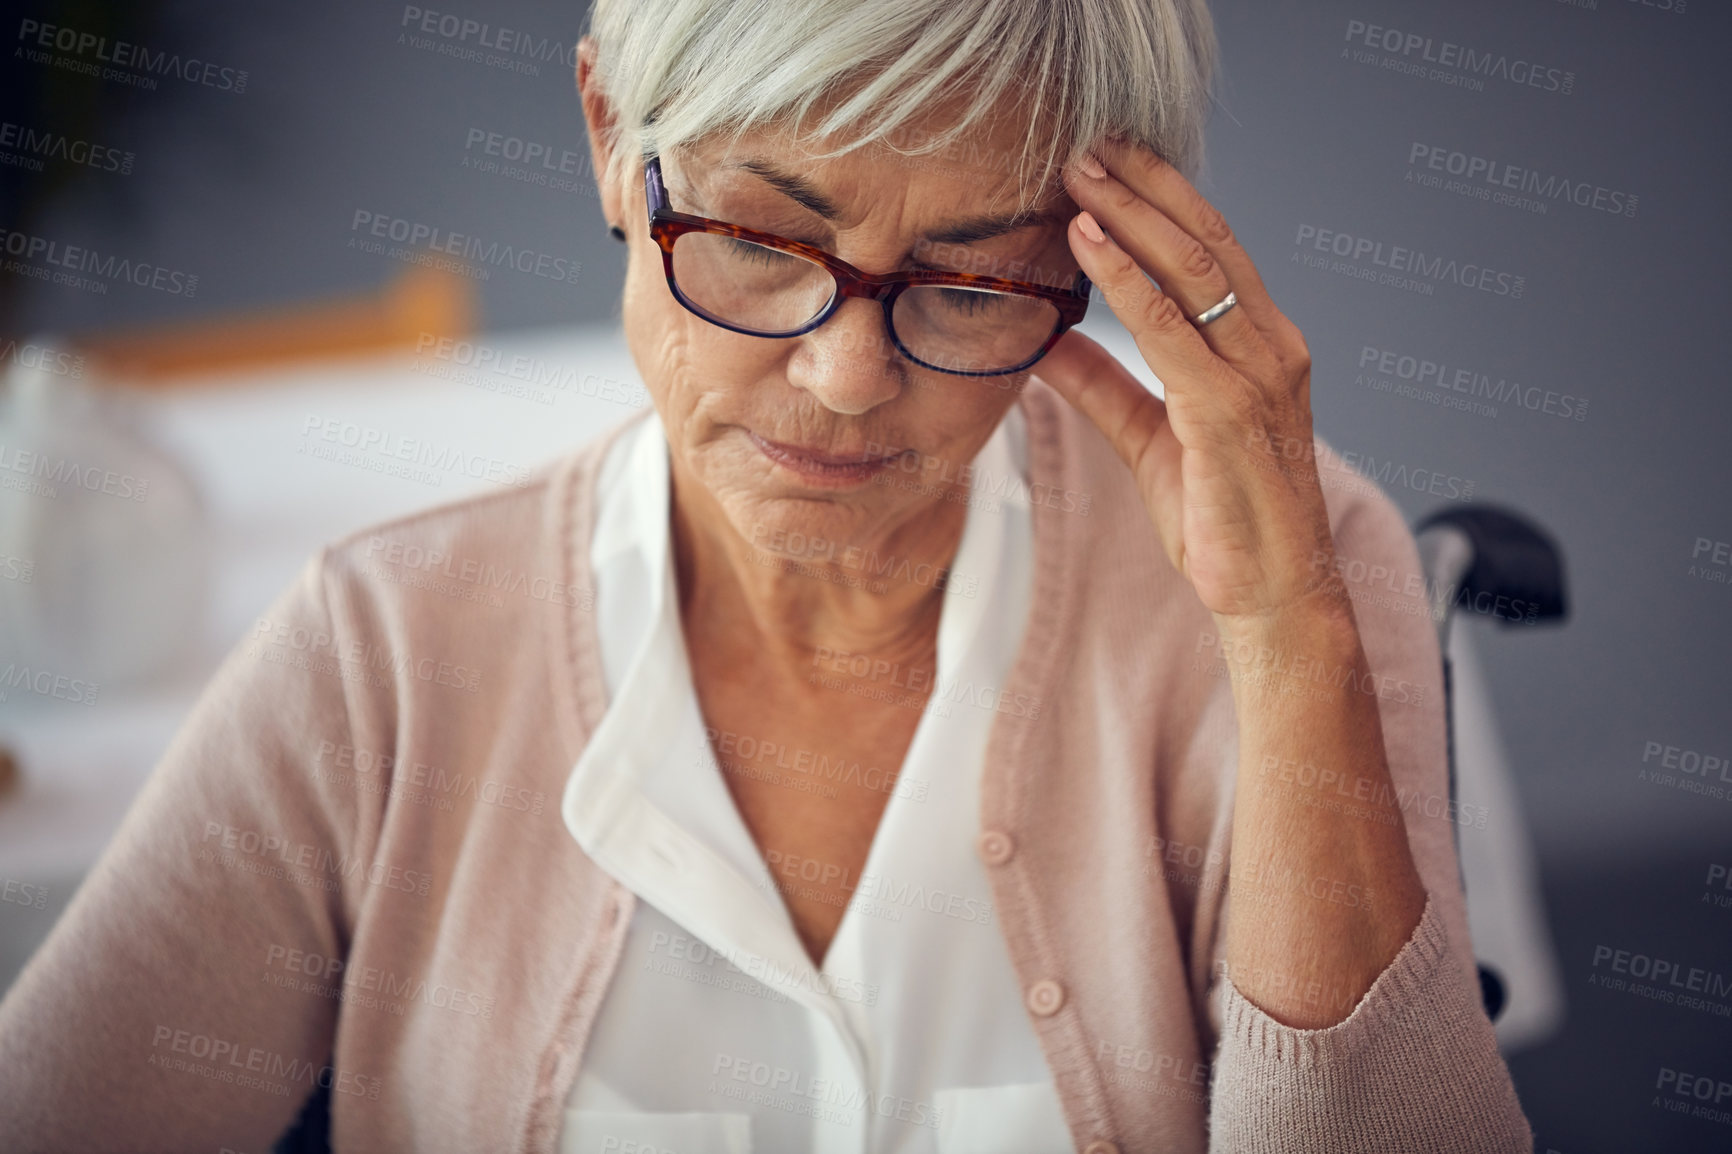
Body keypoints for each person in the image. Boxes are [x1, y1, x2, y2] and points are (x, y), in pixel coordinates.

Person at [0, 1, 1533, 1150]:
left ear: (1088, 264)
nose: (849, 371)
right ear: (611, 134)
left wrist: (1285, 643)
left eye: (978, 278)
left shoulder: (1283, 566)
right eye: (752, 235)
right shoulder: (386, 653)